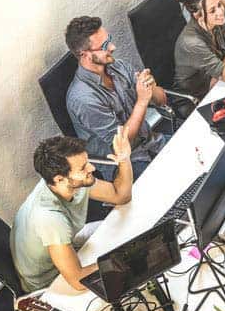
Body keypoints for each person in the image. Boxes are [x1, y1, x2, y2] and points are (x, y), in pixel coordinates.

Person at [11, 129, 134, 292]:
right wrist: (125, 258)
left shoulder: (71, 182)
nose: (92, 167)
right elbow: (79, 280)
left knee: (128, 231)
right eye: (83, 168)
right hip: (50, 281)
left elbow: (121, 196)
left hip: (69, 242)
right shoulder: (50, 219)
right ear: (59, 179)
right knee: (126, 269)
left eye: (87, 161)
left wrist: (124, 160)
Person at [65, 16, 168, 180]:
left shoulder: (118, 66)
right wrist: (142, 101)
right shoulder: (83, 98)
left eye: (110, 40)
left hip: (151, 142)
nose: (113, 47)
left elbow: (162, 101)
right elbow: (121, 144)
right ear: (84, 55)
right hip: (125, 163)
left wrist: (151, 87)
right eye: (105, 46)